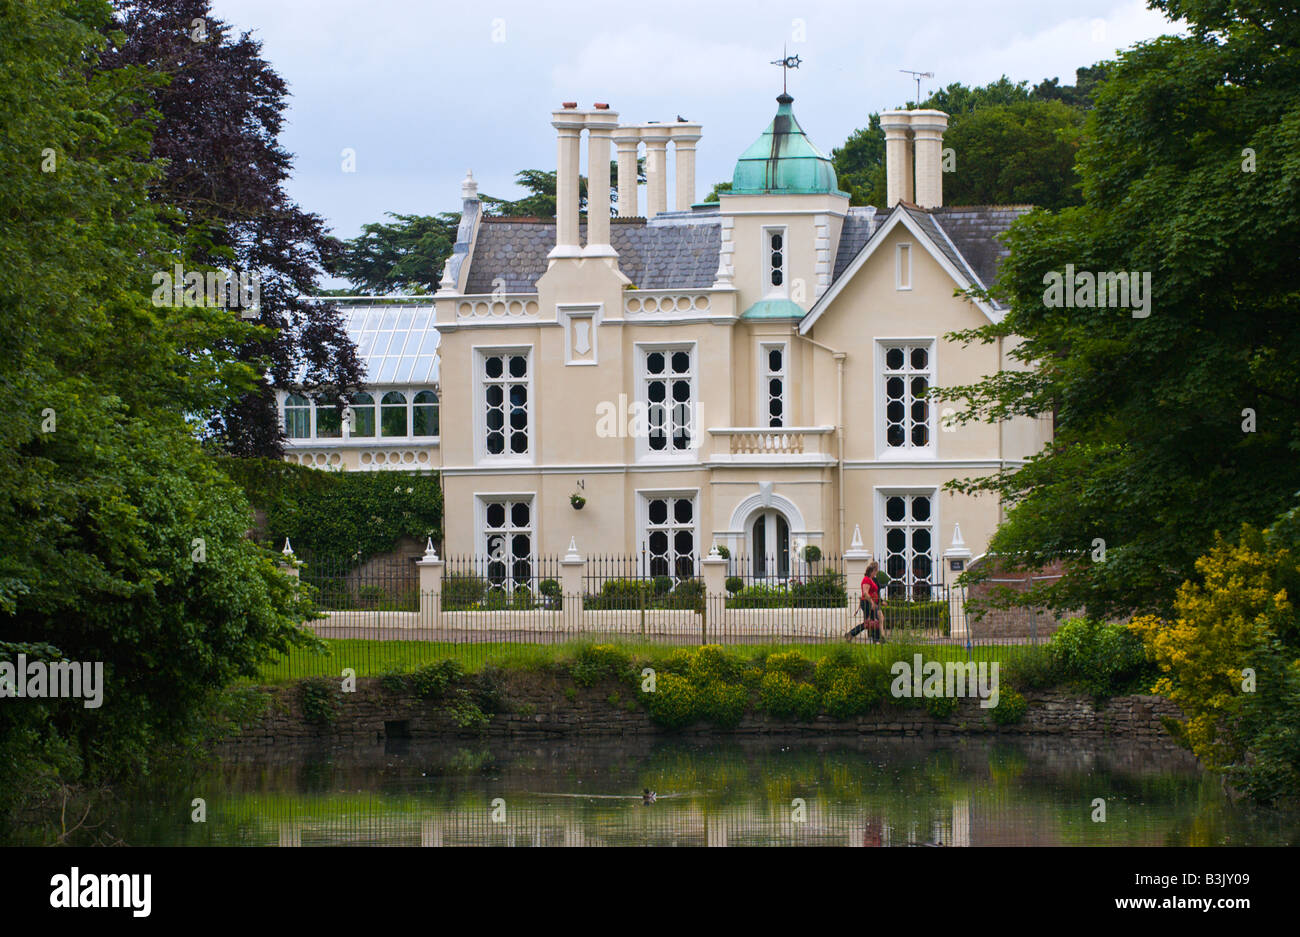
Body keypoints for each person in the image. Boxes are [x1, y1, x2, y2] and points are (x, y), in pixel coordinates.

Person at [845, 561, 884, 642]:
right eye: (876, 571)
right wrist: (872, 603)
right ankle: (876, 640)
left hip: (871, 602)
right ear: (873, 571)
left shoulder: (871, 579)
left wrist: (878, 601)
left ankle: (851, 634)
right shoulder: (866, 580)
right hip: (867, 603)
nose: (876, 573)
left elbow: (874, 592)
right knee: (872, 621)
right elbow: (865, 593)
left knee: (871, 622)